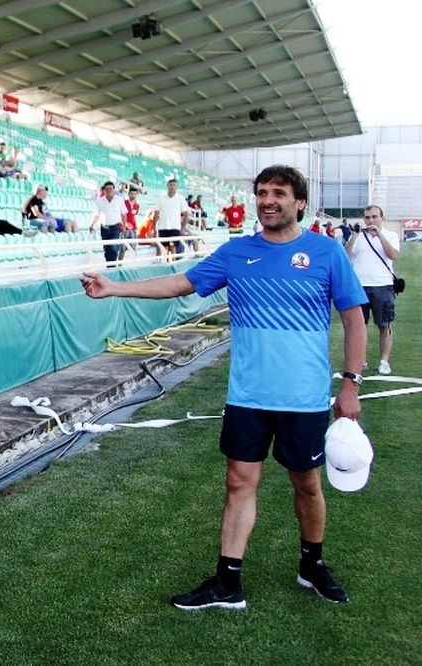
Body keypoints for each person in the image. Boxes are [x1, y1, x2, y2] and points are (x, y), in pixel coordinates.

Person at [81, 165, 367, 611]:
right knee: (238, 482)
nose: (267, 200)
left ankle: (312, 565)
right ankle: (227, 582)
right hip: (248, 395)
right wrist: (115, 286)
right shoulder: (237, 252)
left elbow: (354, 320)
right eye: (261, 193)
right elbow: (181, 284)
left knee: (307, 483)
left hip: (305, 397)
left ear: (300, 202)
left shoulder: (326, 252)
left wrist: (350, 383)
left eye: (278, 193)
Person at [345, 205, 400, 375]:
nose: (370, 220)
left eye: (374, 217)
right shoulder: (359, 236)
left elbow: (393, 255)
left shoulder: (391, 235)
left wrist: (380, 235)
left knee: (385, 325)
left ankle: (384, 361)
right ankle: (361, 360)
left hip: (382, 285)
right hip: (359, 286)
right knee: (359, 326)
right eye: (367, 217)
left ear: (382, 218)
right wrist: (354, 236)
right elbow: (346, 256)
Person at [90, 180, 127, 267]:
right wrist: (92, 225)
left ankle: (112, 267)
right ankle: (109, 266)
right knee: (107, 249)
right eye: (107, 189)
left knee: (114, 248)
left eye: (110, 188)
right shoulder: (100, 201)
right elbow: (97, 214)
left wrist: (124, 226)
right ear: (104, 190)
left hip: (115, 227)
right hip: (104, 227)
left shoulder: (119, 200)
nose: (109, 190)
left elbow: (124, 213)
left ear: (114, 189)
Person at [154, 178, 189, 259]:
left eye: (174, 185)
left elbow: (186, 214)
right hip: (163, 227)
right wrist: (154, 226)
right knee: (164, 249)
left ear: (177, 187)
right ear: (167, 186)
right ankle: (166, 267)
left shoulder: (180, 198)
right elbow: (156, 213)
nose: (172, 187)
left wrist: (183, 227)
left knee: (173, 248)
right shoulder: (161, 198)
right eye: (170, 185)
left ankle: (172, 266)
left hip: (175, 227)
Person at [120, 186, 141, 264]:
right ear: (128, 194)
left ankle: (134, 265)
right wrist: (124, 224)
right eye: (131, 194)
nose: (133, 195)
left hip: (133, 229)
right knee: (122, 248)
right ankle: (119, 265)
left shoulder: (137, 205)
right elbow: (120, 215)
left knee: (133, 247)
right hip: (124, 228)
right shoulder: (124, 203)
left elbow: (134, 215)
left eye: (135, 194)